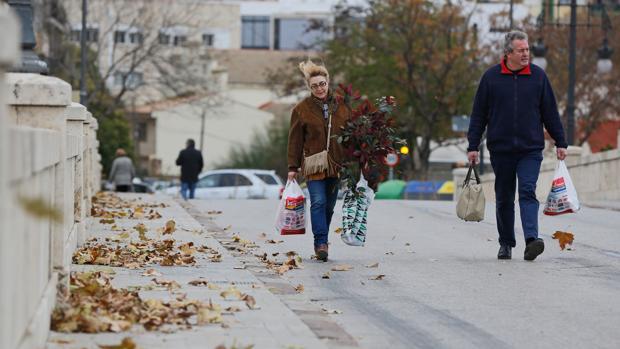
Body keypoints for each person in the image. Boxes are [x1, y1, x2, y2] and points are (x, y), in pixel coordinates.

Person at [467, 30, 568, 261]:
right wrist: (473, 145)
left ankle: (532, 240)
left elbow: (550, 113)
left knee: (527, 190)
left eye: (527, 50)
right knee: (503, 197)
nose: (526, 54)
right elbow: (478, 115)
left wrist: (560, 141)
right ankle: (506, 243)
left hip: (530, 149)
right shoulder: (491, 78)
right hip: (501, 149)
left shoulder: (538, 77)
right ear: (508, 53)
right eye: (521, 50)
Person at [287, 59, 350, 262]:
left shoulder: (341, 105)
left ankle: (322, 239)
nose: (320, 89)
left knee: (329, 207)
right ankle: (321, 243)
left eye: (322, 84)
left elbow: (351, 135)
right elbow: (294, 140)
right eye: (314, 86)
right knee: (318, 202)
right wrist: (292, 167)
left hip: (336, 164)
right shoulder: (301, 109)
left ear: (328, 82)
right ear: (309, 87)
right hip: (313, 164)